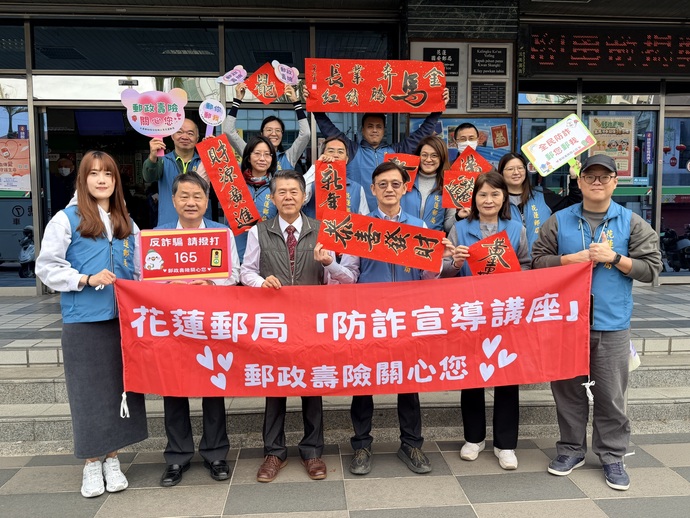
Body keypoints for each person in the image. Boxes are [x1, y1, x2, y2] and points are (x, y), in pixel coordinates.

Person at [532, 154, 662, 491]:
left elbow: (652, 269)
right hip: (566, 323)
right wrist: (567, 260)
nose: (597, 182)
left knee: (611, 395)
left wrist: (616, 258)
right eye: (590, 176)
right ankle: (571, 449)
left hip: (611, 323)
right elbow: (536, 262)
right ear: (580, 182)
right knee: (567, 392)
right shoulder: (559, 221)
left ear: (615, 182)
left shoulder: (631, 222)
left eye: (605, 177)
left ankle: (612, 455)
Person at [323, 162, 453, 476]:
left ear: (405, 188)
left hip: (407, 316)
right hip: (370, 315)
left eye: (395, 184)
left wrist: (439, 260)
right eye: (383, 184)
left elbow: (427, 277)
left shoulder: (419, 226)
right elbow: (351, 276)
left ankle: (411, 444)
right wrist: (330, 264)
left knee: (409, 381)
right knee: (363, 380)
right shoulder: (360, 227)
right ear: (373, 189)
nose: (389, 190)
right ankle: (361, 445)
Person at [35, 150, 148, 498]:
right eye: (94, 173)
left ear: (116, 180)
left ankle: (112, 459)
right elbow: (46, 267)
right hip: (84, 320)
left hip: (124, 321)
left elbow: (142, 270)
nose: (102, 180)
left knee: (119, 390)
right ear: (83, 180)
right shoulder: (66, 219)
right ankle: (90, 462)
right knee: (86, 393)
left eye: (108, 174)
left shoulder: (127, 222)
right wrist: (85, 279)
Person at [240, 169, 330, 483]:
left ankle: (312, 450)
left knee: (312, 385)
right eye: (282, 192)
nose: (288, 197)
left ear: (304, 196)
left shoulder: (321, 230)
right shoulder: (259, 231)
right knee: (275, 385)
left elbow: (336, 279)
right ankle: (274, 452)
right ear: (272, 197)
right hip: (274, 321)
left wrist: (328, 264)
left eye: (294, 191)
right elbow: (246, 271)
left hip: (311, 320)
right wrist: (261, 281)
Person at [156, 171, 240, 487]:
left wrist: (212, 284)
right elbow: (142, 276)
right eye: (184, 196)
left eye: (197, 196)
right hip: (172, 325)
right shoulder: (158, 236)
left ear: (207, 200)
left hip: (209, 324)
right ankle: (177, 457)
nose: (191, 202)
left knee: (213, 386)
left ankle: (215, 453)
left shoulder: (222, 233)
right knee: (173, 388)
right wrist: (169, 284)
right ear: (173, 200)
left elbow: (234, 274)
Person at [442, 171, 531, 471]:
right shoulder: (459, 228)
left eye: (494, 194)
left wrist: (514, 274)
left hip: (505, 314)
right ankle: (474, 438)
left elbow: (528, 267)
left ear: (504, 197)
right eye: (482, 194)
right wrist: (456, 262)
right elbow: (444, 271)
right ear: (474, 198)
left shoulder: (516, 229)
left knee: (507, 376)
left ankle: (505, 444)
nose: (488, 200)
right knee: (472, 376)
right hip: (471, 314)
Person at [305, 85, 449, 210]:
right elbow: (328, 128)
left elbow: (422, 133)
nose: (374, 130)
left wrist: (438, 109)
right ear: (362, 130)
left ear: (384, 130)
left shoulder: (396, 152)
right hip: (356, 216)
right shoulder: (352, 150)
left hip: (388, 218)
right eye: (370, 126)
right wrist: (314, 104)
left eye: (378, 127)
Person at [498, 152, 582, 252]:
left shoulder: (541, 195)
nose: (516, 172)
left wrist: (574, 179)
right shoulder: (495, 201)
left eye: (520, 168)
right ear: (501, 172)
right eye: (510, 169)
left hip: (539, 258)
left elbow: (573, 204)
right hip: (507, 259)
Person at [224, 82, 310, 171]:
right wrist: (237, 101)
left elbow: (305, 134)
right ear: (262, 133)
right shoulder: (251, 153)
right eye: (269, 130)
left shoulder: (288, 157)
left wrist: (296, 102)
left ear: (282, 134)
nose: (274, 133)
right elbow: (229, 131)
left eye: (278, 130)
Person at [142, 118, 212, 226]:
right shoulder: (162, 161)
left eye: (190, 133)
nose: (184, 137)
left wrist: (215, 154)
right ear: (172, 136)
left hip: (200, 227)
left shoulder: (205, 162)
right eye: (179, 132)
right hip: (169, 227)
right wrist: (152, 157)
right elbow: (148, 177)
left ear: (197, 138)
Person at [235, 135, 280, 260]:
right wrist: (210, 145)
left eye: (267, 154)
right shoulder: (234, 183)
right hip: (236, 254)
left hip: (267, 255)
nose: (262, 158)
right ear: (248, 157)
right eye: (257, 153)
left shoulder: (278, 186)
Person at [303, 135, 370, 217]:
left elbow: (364, 219)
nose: (335, 155)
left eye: (340, 152)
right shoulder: (311, 184)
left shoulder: (357, 189)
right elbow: (300, 198)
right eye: (331, 151)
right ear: (322, 155)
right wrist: (316, 166)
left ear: (346, 160)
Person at [403, 135, 456, 232]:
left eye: (434, 155)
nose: (428, 159)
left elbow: (447, 226)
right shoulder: (404, 181)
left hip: (432, 240)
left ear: (441, 158)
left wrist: (458, 216)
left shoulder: (449, 185)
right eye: (424, 155)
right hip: (404, 237)